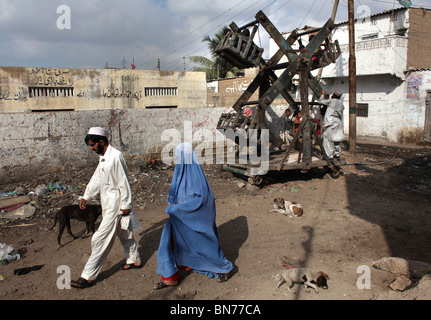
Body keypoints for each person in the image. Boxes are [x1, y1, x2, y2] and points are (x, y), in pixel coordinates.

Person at [154, 142, 234, 290]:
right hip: (178, 219)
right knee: (168, 243)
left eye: (180, 157)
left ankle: (223, 268)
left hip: (194, 219)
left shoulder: (195, 175)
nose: (177, 161)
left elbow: (203, 200)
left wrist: (179, 209)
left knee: (205, 245)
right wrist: (175, 209)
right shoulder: (180, 173)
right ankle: (169, 277)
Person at [71, 127, 141, 289]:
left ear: (101, 142)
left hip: (116, 206)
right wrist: (86, 196)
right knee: (124, 233)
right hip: (108, 204)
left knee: (100, 239)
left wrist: (126, 205)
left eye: (92, 145)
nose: (91, 148)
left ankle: (88, 276)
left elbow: (124, 182)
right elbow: (97, 178)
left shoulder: (115, 156)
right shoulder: (103, 158)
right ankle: (134, 259)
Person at [319, 90, 345, 161]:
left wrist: (322, 95)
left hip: (331, 123)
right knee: (337, 139)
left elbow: (320, 101)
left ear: (333, 95)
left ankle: (329, 156)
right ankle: (337, 154)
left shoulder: (331, 101)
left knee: (328, 139)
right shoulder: (341, 103)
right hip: (338, 122)